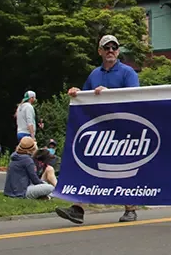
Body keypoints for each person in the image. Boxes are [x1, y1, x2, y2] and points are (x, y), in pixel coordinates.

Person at [56, 34, 140, 224]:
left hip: (122, 130)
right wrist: (76, 93)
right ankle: (78, 208)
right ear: (100, 51)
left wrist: (110, 94)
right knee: (87, 165)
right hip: (99, 129)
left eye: (114, 47)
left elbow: (135, 98)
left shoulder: (128, 73)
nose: (111, 51)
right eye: (107, 47)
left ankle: (131, 208)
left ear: (118, 51)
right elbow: (85, 98)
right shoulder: (94, 74)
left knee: (122, 168)